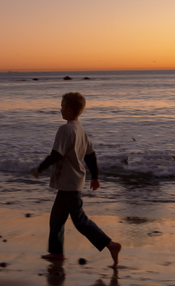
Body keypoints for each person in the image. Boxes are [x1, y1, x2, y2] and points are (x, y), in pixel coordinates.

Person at [32, 92, 121, 267]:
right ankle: (57, 253)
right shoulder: (80, 129)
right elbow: (91, 155)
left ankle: (110, 245)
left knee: (79, 220)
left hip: (69, 182)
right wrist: (95, 176)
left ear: (70, 110)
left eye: (62, 106)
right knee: (56, 218)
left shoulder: (66, 130)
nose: (60, 109)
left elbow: (56, 154)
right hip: (72, 181)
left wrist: (40, 168)